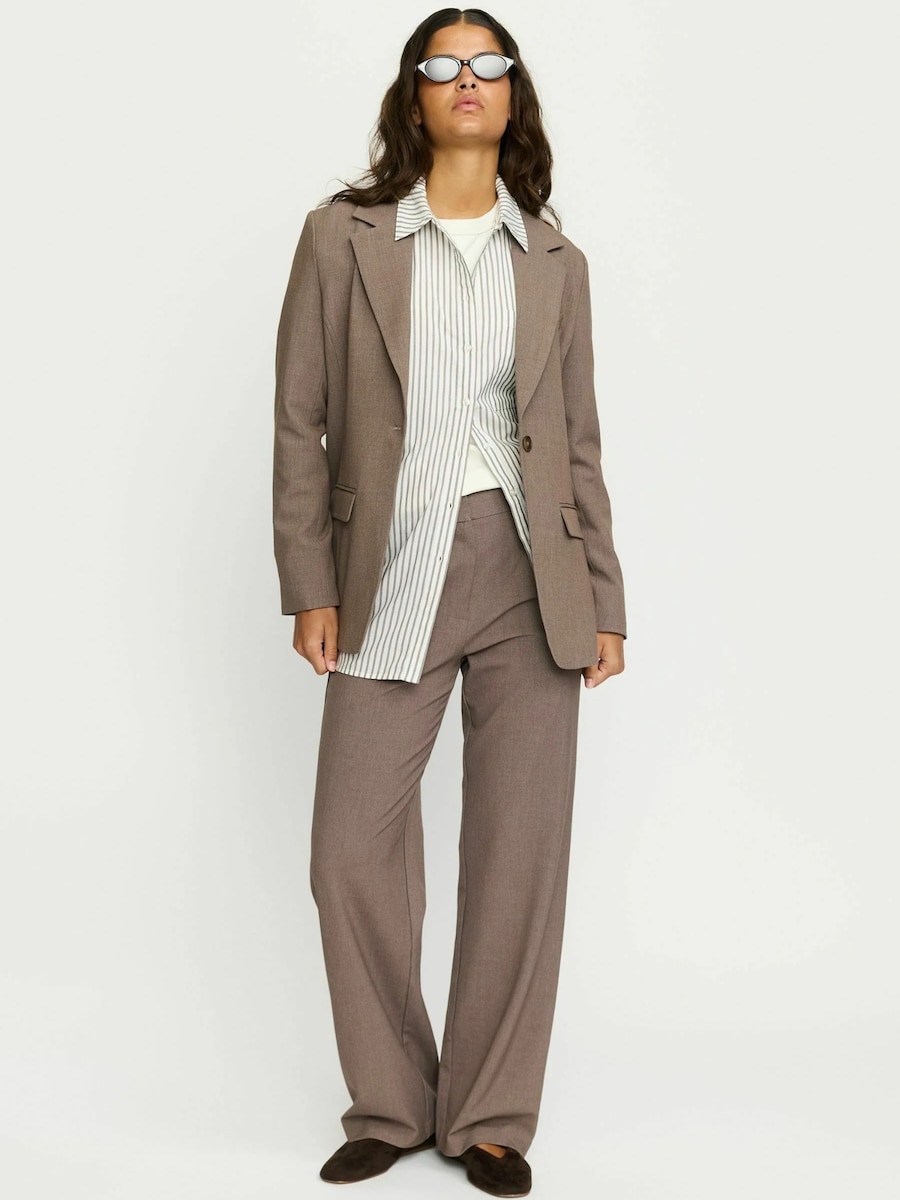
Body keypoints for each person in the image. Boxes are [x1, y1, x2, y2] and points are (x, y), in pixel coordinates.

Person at [272, 9, 627, 1196]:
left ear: (512, 94)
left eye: (488, 65)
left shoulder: (557, 261)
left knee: (520, 853)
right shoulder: (344, 235)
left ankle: (489, 1118)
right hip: (389, 567)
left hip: (534, 577)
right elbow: (300, 420)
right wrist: (309, 583)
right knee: (348, 851)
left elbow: (577, 444)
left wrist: (606, 597)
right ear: (413, 94)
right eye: (443, 64)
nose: (466, 80)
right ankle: (389, 1099)